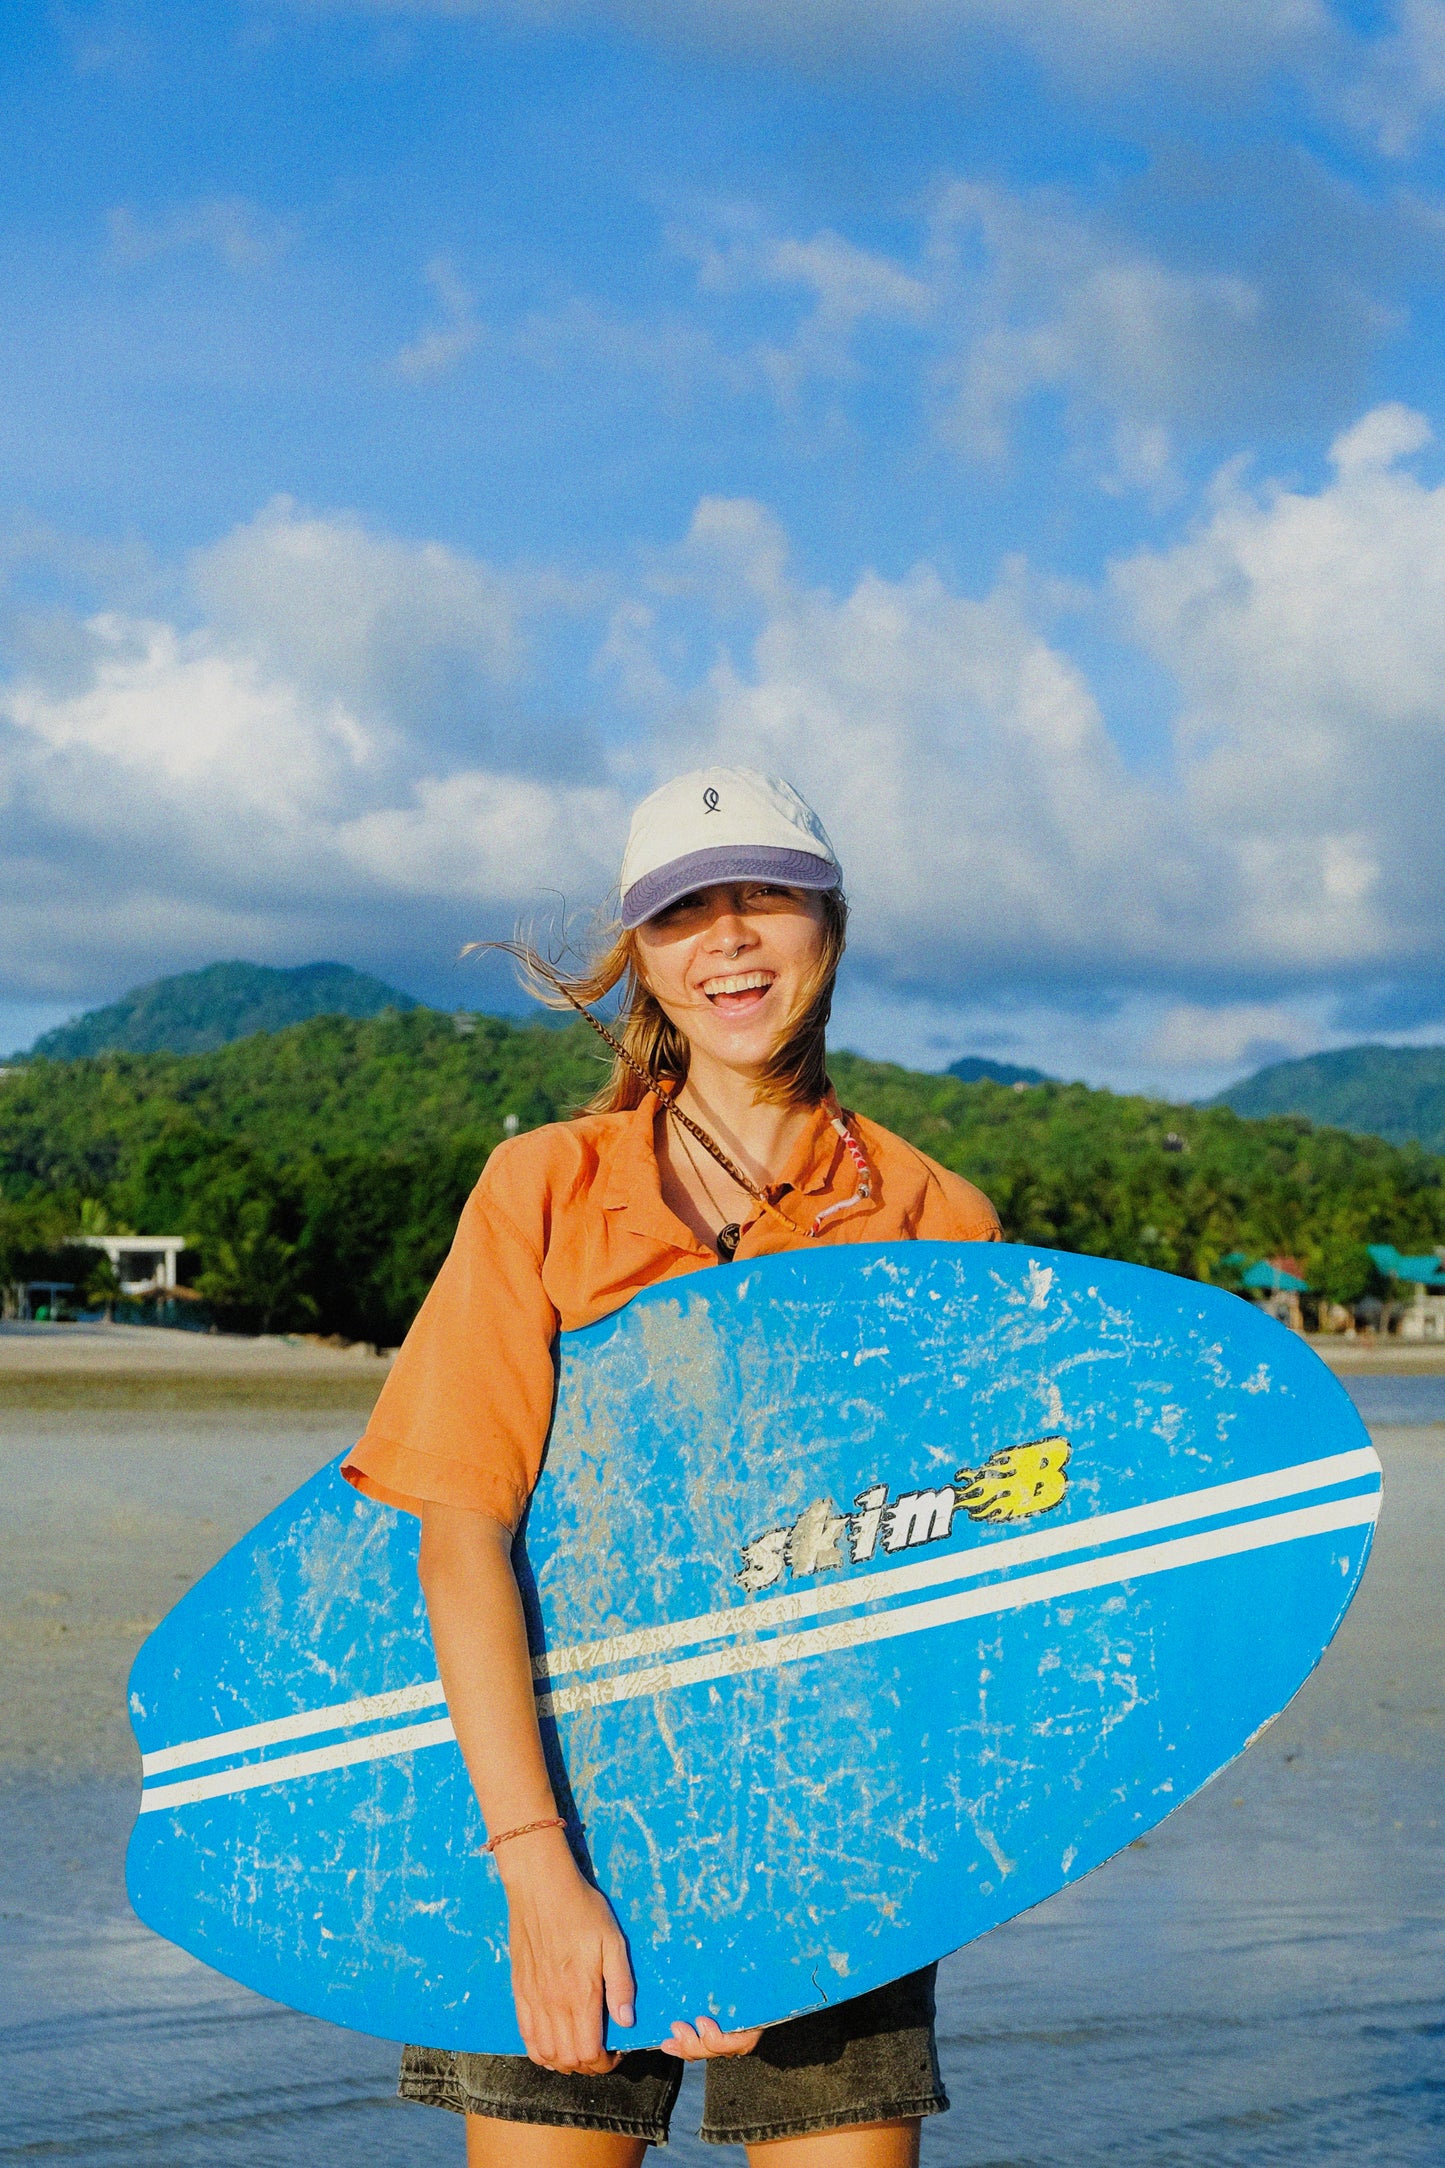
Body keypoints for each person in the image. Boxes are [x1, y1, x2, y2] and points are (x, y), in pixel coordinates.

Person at [343, 767, 1001, 2166]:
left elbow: (953, 1585)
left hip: (841, 1835)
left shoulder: (937, 1217)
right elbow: (461, 1530)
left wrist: (771, 1907)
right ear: (642, 956)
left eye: (763, 896)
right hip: (554, 1809)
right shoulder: (545, 1190)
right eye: (684, 913)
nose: (730, 941)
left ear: (829, 920)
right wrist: (534, 1868)